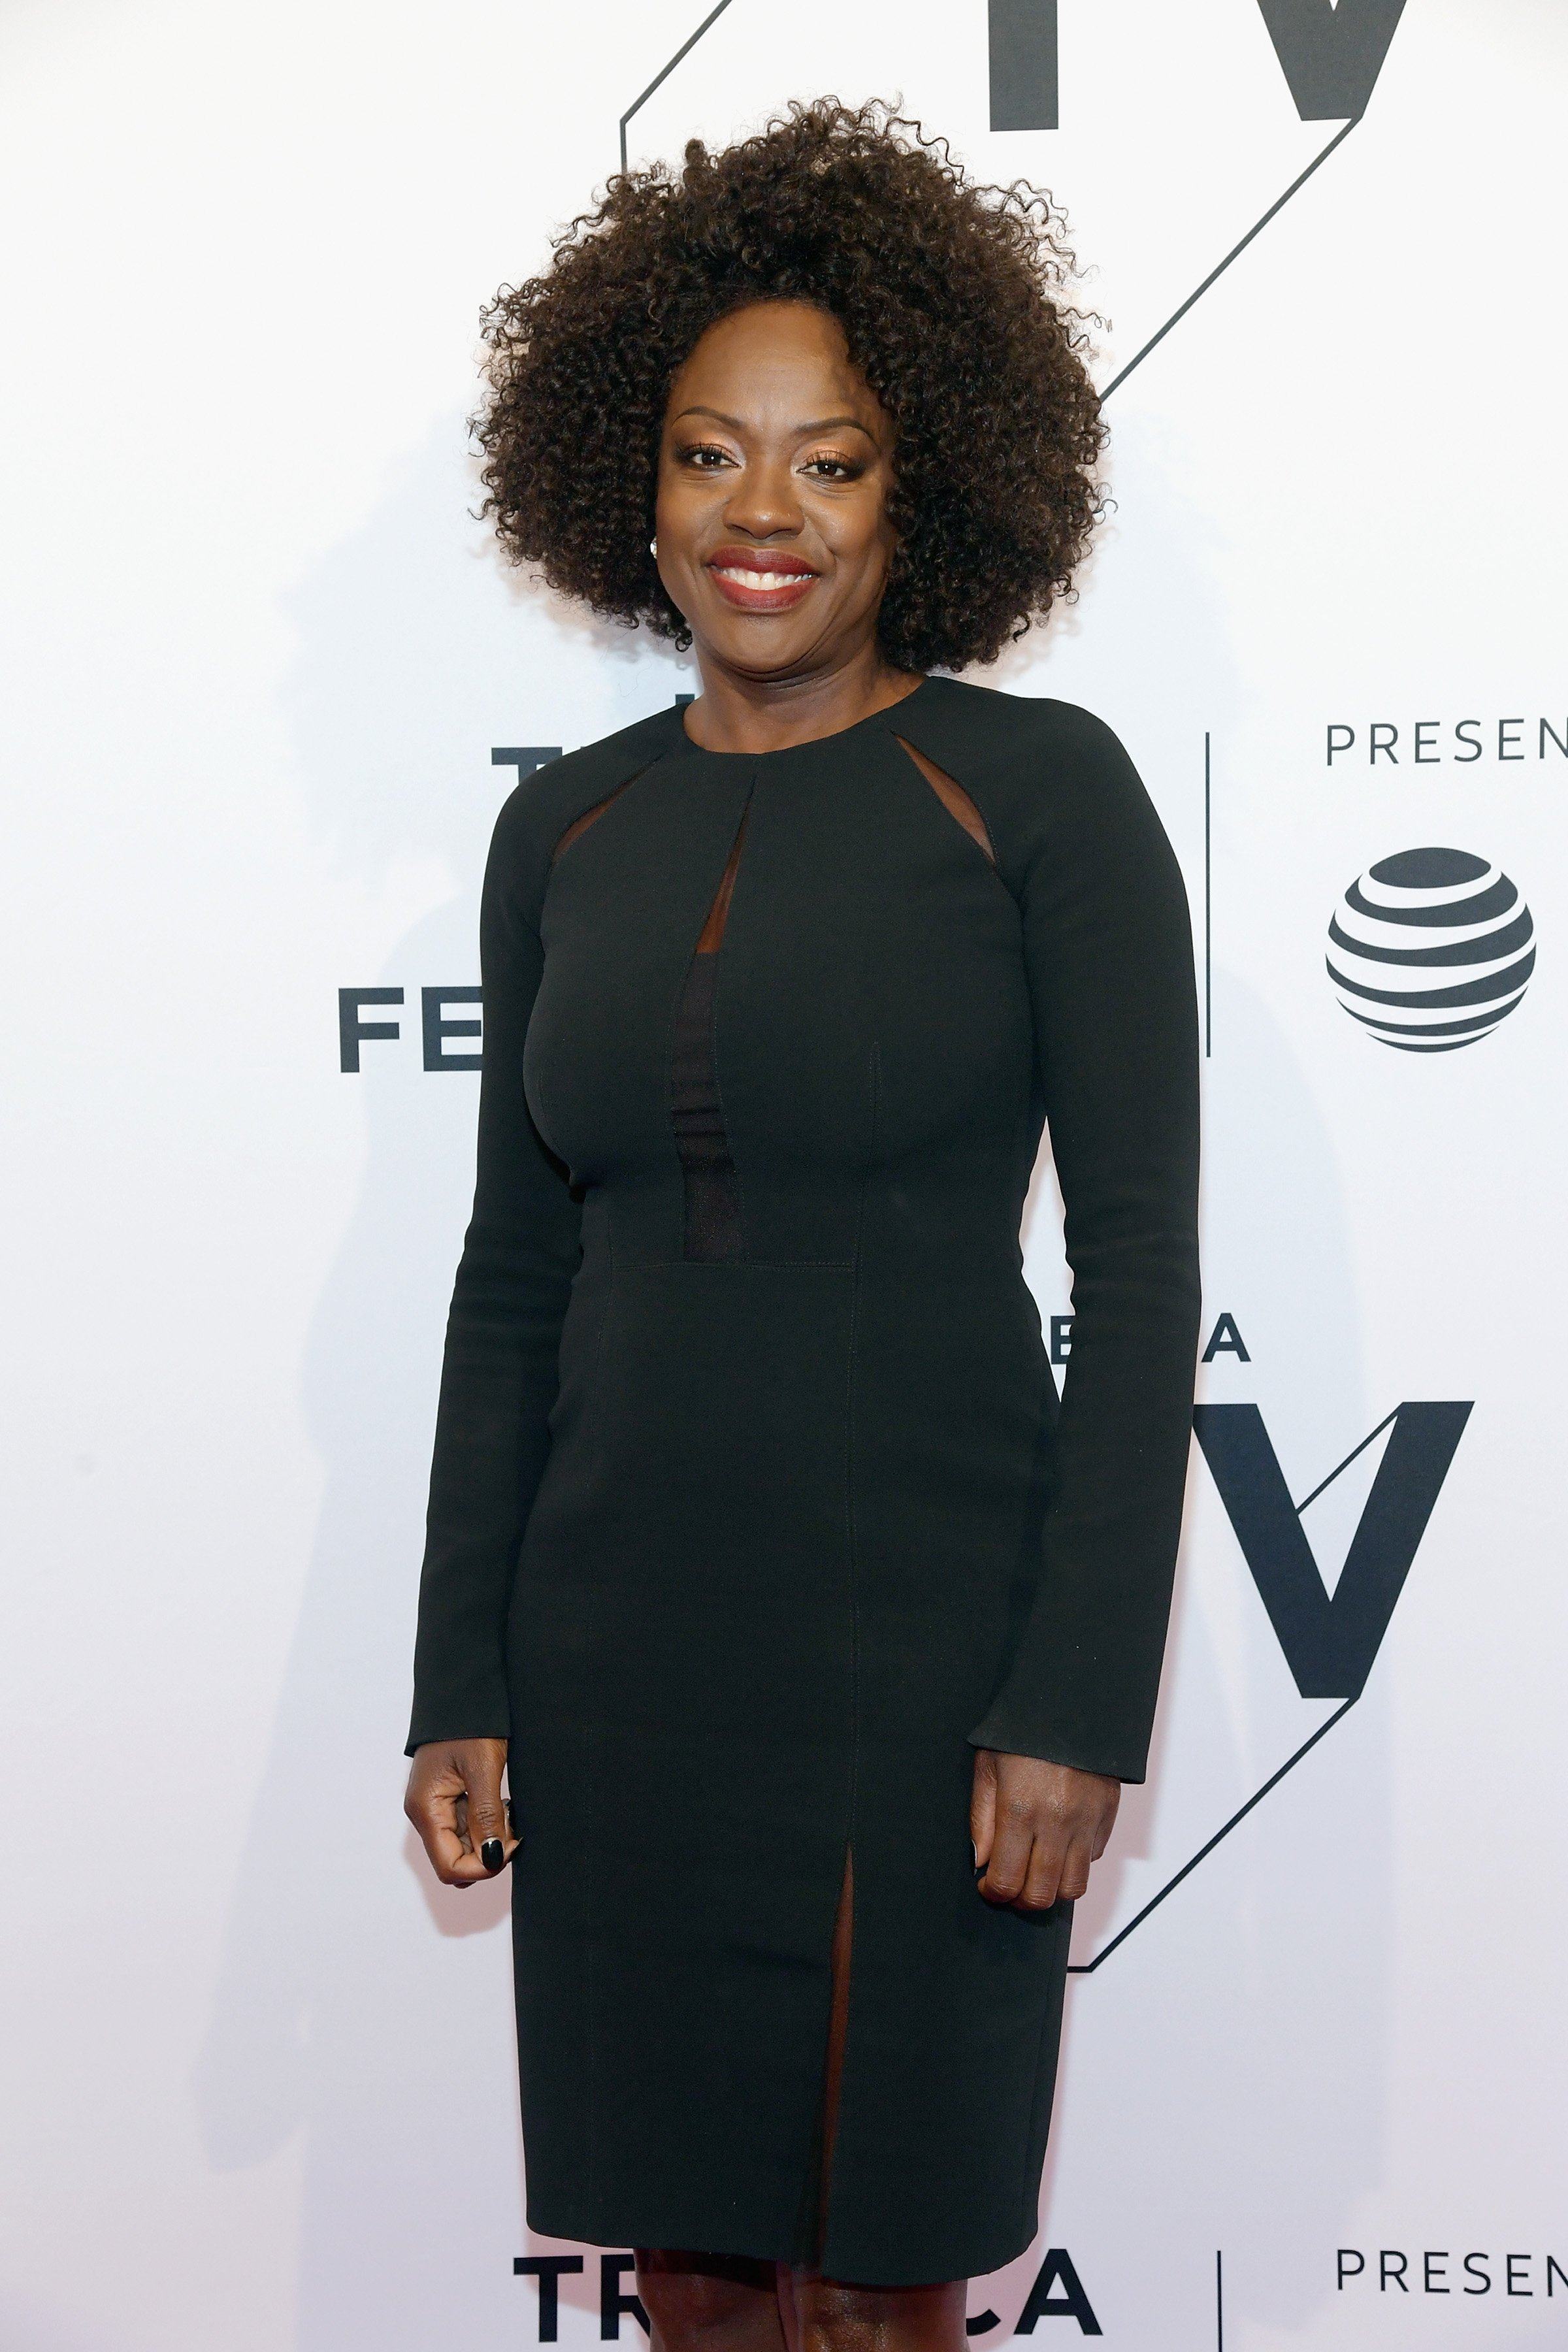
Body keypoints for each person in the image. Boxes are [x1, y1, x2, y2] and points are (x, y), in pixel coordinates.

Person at [404, 99, 1200, 2351]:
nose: (764, 514)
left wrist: (1077, 1699)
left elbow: (1138, 1269)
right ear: (624, 482)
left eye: (830, 460)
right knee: (690, 2286)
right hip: (620, 1655)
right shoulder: (566, 833)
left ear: (920, 483)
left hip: (924, 1664)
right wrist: (461, 1672)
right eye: (709, 453)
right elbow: (510, 1281)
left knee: (878, 2301)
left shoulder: (1038, 795)